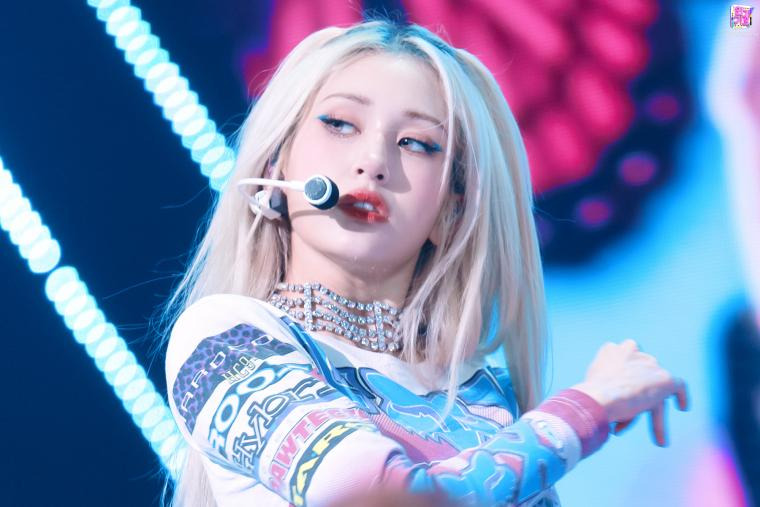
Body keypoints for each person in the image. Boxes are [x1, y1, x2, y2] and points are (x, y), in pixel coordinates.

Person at [161, 19, 689, 507]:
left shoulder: (483, 391)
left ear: (450, 211)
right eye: (340, 123)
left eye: (416, 143)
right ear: (276, 167)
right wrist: (589, 406)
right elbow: (385, 498)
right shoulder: (222, 340)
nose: (373, 162)